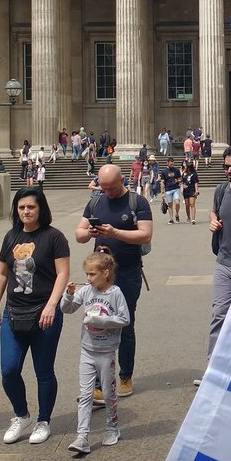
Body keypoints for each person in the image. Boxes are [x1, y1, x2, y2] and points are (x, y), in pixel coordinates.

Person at [0, 186, 70, 445]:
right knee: (9, 370)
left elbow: (62, 274)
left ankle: (43, 420)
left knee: (43, 371)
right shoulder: (10, 237)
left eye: (31, 207)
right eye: (22, 207)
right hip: (14, 312)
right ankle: (21, 414)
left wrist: (52, 305)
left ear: (41, 209)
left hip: (44, 313)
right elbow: (2, 274)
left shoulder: (54, 237)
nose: (26, 211)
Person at [75, 163, 152, 398]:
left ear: (122, 181)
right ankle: (99, 383)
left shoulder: (137, 202)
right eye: (103, 187)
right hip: (100, 275)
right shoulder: (96, 202)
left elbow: (145, 234)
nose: (106, 191)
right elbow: (78, 234)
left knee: (125, 325)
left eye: (111, 187)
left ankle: (125, 376)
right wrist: (91, 233)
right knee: (98, 325)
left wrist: (115, 232)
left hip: (127, 272)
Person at [61, 248, 130, 455]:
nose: (88, 278)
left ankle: (112, 427)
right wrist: (68, 295)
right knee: (85, 395)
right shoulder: (86, 291)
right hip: (87, 350)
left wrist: (100, 320)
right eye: (87, 274)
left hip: (106, 352)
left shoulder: (115, 293)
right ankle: (82, 436)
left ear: (106, 273)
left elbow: (124, 319)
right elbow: (68, 309)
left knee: (108, 393)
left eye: (92, 274)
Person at [195, 153, 231, 386]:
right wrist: (212, 220)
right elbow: (215, 210)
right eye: (226, 167)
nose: (229, 171)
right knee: (218, 316)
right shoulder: (221, 190)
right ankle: (213, 369)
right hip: (224, 263)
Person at [161, 156, 182, 224]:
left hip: (175, 188)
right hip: (168, 189)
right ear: (167, 163)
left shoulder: (176, 170)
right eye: (170, 164)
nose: (172, 165)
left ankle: (177, 214)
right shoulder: (164, 171)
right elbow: (162, 182)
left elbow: (180, 179)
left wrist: (177, 180)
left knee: (177, 202)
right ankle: (171, 218)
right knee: (170, 205)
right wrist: (162, 192)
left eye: (173, 164)